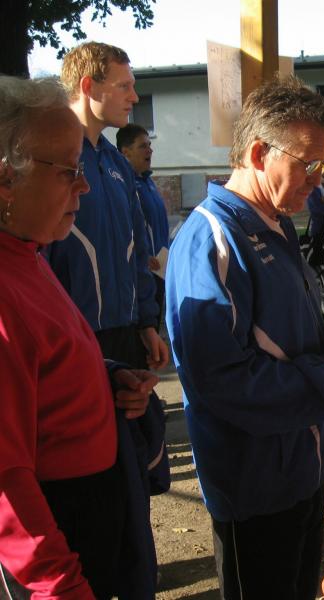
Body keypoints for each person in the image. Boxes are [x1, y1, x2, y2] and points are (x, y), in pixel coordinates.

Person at [166, 75, 324, 600]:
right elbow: (221, 381)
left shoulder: (273, 221)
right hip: (255, 487)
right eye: (309, 164)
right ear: (258, 153)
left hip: (301, 468)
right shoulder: (211, 239)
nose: (318, 182)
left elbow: (281, 332)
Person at [0, 76, 161, 599]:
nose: (85, 187)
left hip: (93, 509)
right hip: (60, 538)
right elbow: (6, 482)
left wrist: (109, 378)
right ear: (5, 180)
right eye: (70, 171)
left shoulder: (28, 252)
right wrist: (61, 586)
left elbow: (45, 363)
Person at [48, 41, 168, 370]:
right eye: (124, 86)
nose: (135, 97)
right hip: (70, 337)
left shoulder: (117, 163)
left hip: (126, 333)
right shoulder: (50, 156)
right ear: (89, 86)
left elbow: (138, 249)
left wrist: (146, 324)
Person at [117, 123, 171, 325]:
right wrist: (144, 255)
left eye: (150, 145)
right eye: (142, 146)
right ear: (126, 152)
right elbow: (124, 228)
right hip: (144, 272)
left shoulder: (148, 182)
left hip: (160, 268)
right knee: (146, 326)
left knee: (156, 322)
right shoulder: (124, 184)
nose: (150, 150)